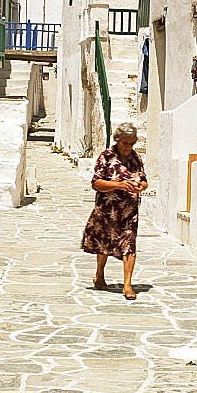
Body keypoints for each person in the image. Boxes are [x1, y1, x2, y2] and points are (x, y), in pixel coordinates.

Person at [81, 122, 148, 300]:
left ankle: (127, 285)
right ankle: (100, 274)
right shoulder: (106, 157)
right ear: (117, 141)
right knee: (104, 245)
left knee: (129, 245)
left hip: (129, 213)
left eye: (131, 143)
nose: (128, 147)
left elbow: (144, 180)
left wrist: (140, 186)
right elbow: (96, 183)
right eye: (125, 143)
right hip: (107, 211)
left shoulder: (136, 159)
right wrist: (119, 185)